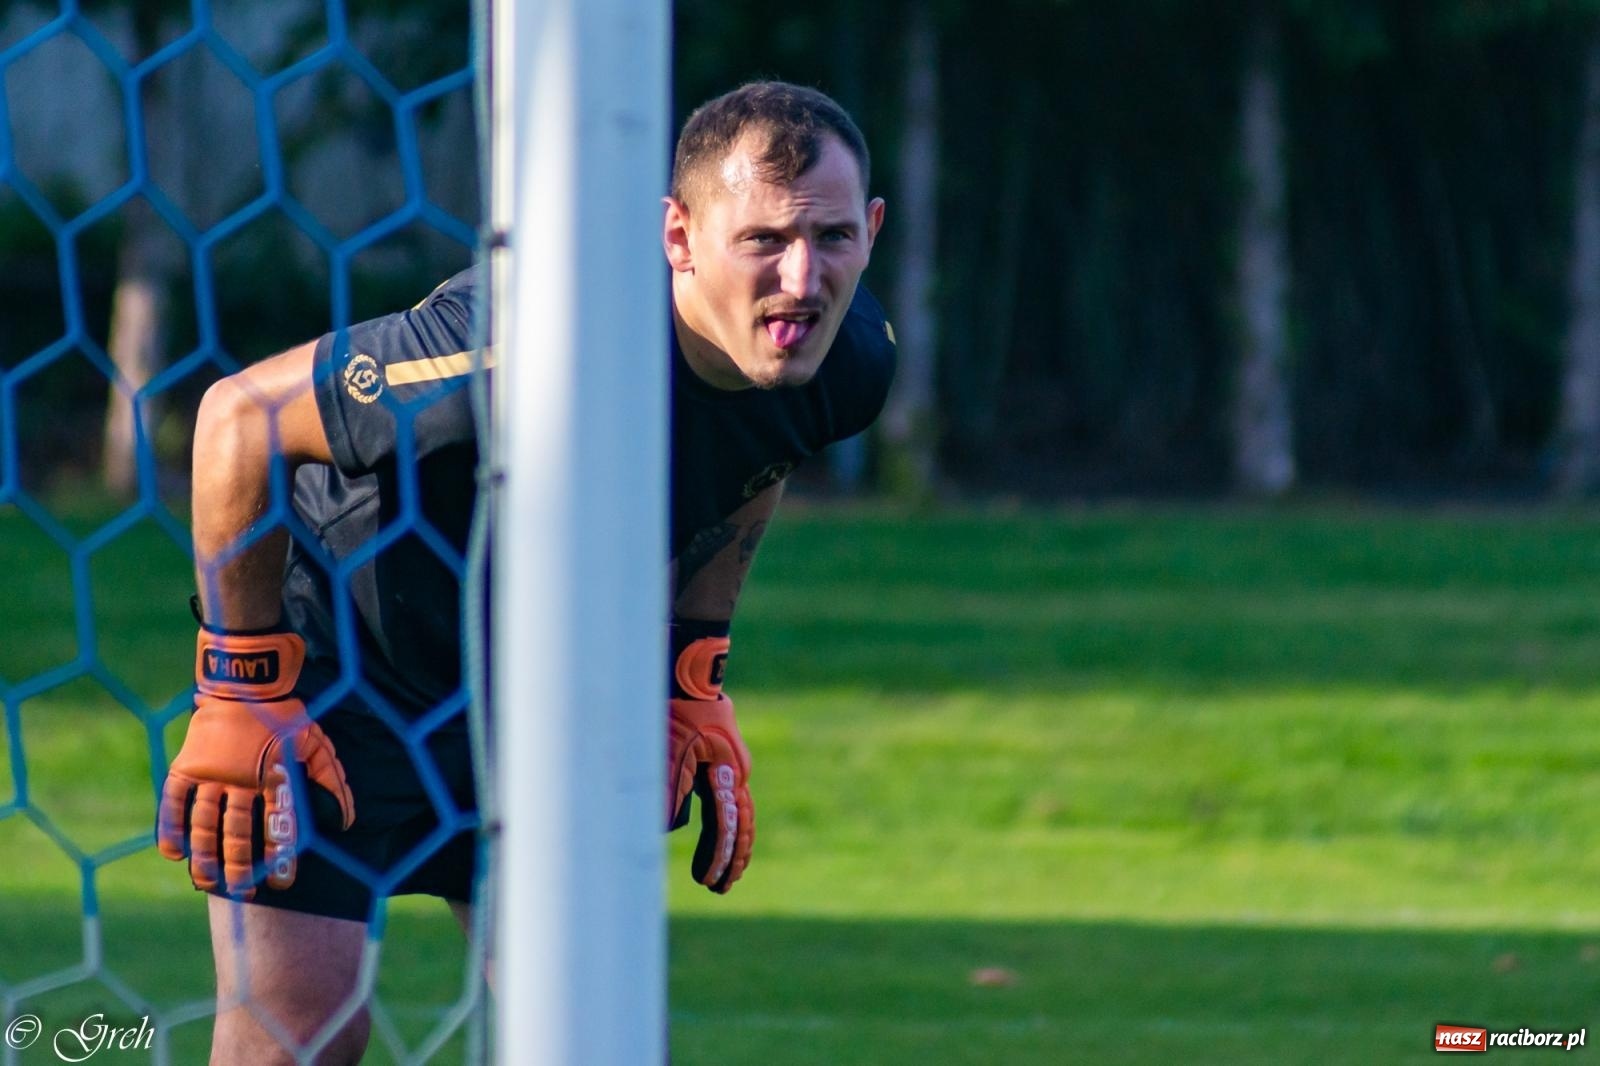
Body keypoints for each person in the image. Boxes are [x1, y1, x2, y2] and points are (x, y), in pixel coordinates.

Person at [155, 80, 893, 1064]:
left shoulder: (847, 360)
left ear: (873, 229)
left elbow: (754, 467)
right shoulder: (523, 342)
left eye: (833, 237)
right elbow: (237, 418)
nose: (801, 278)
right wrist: (239, 687)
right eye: (761, 240)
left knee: (591, 1032)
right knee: (305, 1026)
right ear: (678, 235)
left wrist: (693, 673)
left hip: (542, 701)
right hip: (343, 677)